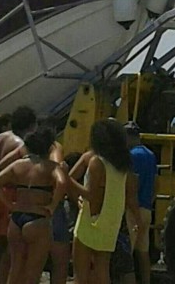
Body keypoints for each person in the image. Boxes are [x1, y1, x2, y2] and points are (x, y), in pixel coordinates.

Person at [0, 128, 67, 284]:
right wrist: (53, 205)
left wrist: (9, 204)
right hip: (38, 218)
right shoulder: (51, 167)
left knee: (16, 268)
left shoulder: (18, 165)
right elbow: (62, 182)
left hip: (17, 217)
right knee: (33, 271)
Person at [0, 106, 37, 284]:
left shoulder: (2, 136)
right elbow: (5, 165)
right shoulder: (20, 144)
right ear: (31, 125)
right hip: (6, 193)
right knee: (4, 243)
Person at [68, 119, 133, 284]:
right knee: (102, 272)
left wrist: (66, 179)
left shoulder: (97, 162)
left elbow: (90, 193)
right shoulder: (121, 165)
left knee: (80, 275)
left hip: (90, 221)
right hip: (110, 222)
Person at [123, 121, 157, 284]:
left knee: (126, 253)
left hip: (133, 210)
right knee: (143, 252)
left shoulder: (131, 156)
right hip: (146, 209)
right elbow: (155, 184)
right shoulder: (150, 155)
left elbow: (131, 186)